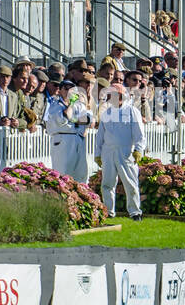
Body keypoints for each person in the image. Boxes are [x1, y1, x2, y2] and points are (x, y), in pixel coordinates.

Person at [94, 85, 146, 220]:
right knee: (107, 183)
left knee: (131, 182)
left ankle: (135, 212)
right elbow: (100, 136)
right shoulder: (106, 113)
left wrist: (138, 149)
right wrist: (98, 154)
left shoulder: (132, 111)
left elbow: (139, 133)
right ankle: (108, 212)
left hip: (126, 151)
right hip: (108, 151)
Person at [43, 73, 91, 179]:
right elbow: (62, 118)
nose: (69, 91)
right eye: (66, 88)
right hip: (62, 141)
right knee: (64, 173)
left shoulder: (79, 105)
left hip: (78, 140)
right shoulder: (55, 105)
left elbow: (86, 120)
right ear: (60, 90)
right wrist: (71, 106)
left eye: (72, 89)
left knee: (81, 173)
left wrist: (73, 118)